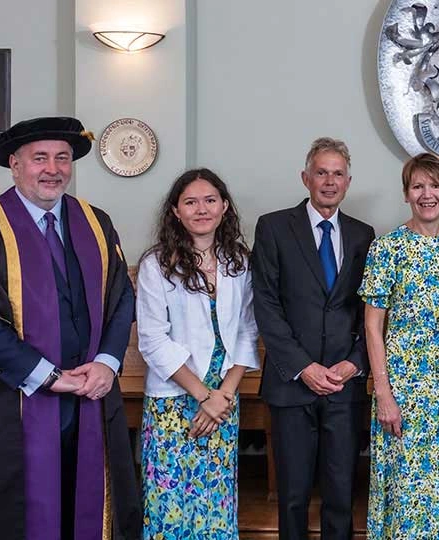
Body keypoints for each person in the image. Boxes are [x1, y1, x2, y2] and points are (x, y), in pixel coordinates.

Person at [0, 117, 141, 539]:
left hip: (90, 396)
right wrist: (49, 377)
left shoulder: (95, 223)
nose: (53, 169)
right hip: (10, 404)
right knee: (17, 513)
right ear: (15, 164)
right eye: (39, 157)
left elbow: (122, 298)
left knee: (85, 504)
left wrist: (108, 362)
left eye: (62, 158)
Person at [251, 137, 376, 540]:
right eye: (321, 172)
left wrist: (356, 362)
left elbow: (369, 312)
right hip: (292, 385)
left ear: (348, 182)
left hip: (344, 384)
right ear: (306, 178)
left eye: (337, 173)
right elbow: (266, 305)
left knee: (342, 493)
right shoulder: (273, 227)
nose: (329, 181)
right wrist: (303, 367)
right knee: (293, 494)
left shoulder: (363, 235)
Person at [135, 168, 259, 538]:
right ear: (176, 211)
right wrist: (203, 395)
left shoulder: (240, 262)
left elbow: (247, 332)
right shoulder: (156, 265)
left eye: (209, 200)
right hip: (175, 399)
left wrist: (222, 396)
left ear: (224, 207)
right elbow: (153, 340)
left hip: (223, 399)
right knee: (171, 503)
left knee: (215, 502)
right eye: (190, 202)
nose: (201, 209)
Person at [360, 153, 439, 539]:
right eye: (418, 186)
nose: (428, 194)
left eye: (435, 185)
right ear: (407, 193)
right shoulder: (386, 248)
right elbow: (373, 327)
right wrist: (383, 392)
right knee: (408, 486)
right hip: (402, 387)